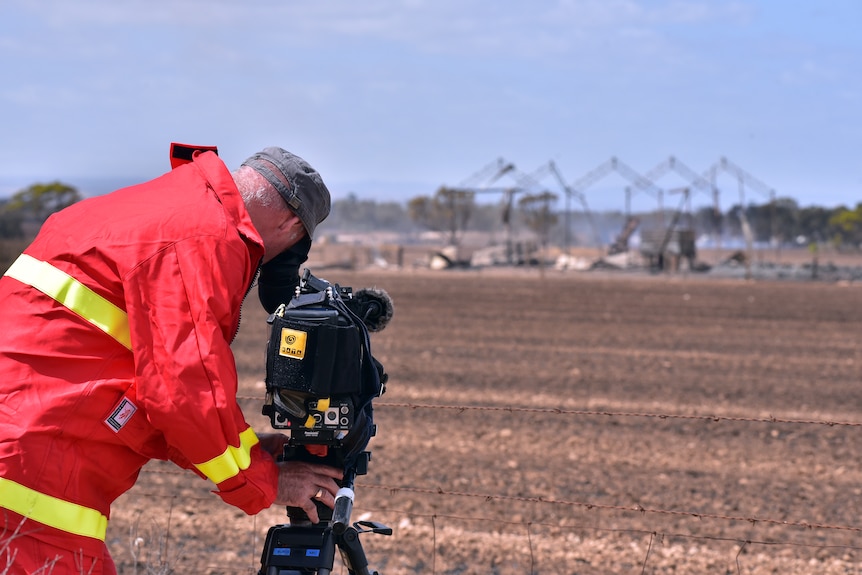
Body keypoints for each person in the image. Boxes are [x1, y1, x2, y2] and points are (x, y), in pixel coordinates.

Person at [0, 145, 343, 574]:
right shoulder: (204, 238)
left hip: (27, 438)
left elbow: (148, 385)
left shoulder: (159, 207)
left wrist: (249, 449)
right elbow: (183, 393)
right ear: (292, 224)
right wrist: (268, 481)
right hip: (29, 469)